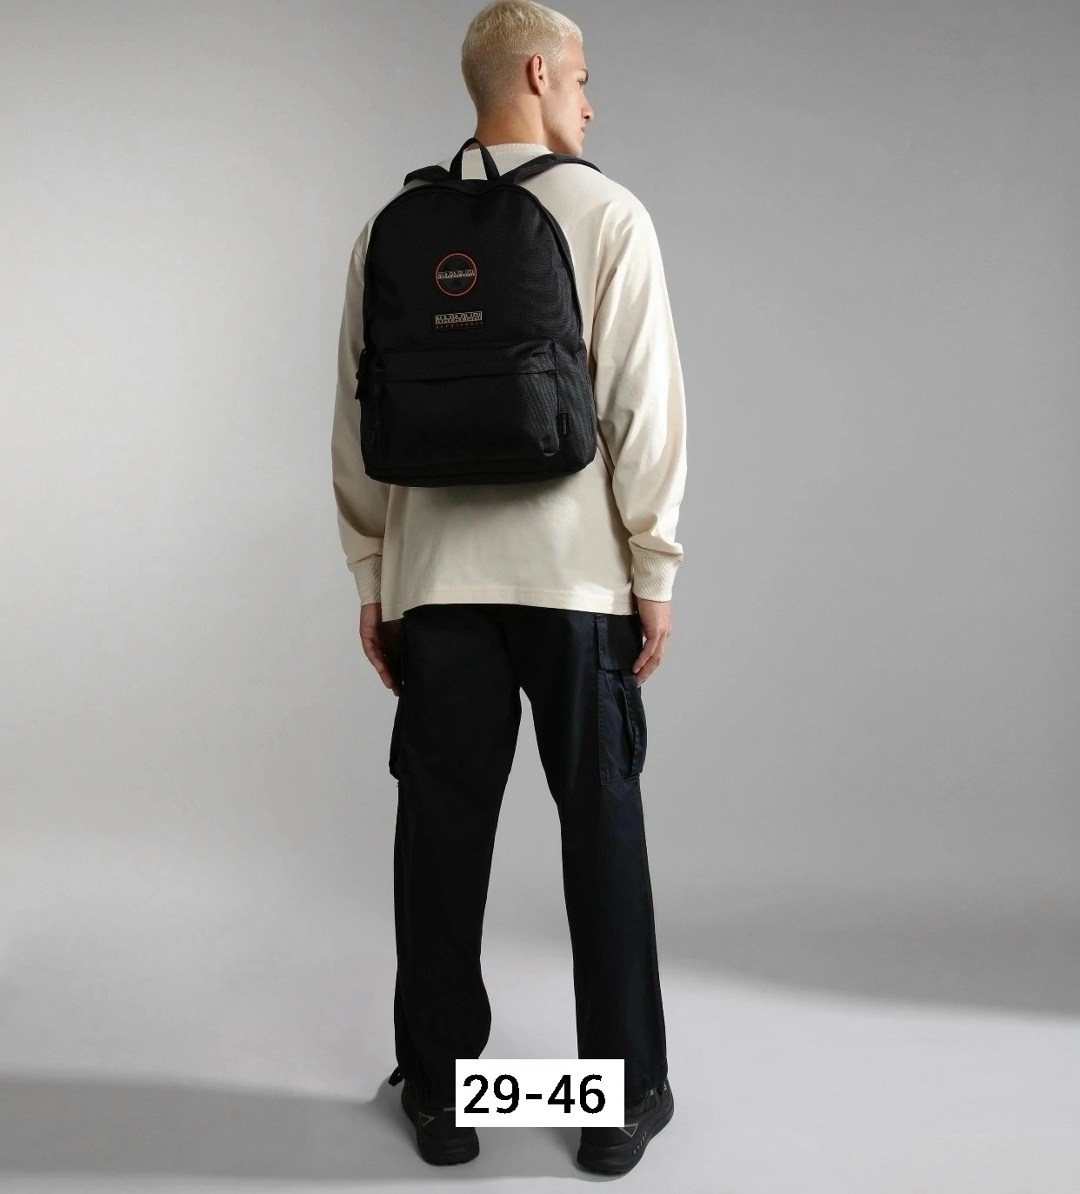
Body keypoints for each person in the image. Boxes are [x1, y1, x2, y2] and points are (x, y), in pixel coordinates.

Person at [330, 0, 687, 1175]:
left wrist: (377, 575)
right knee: (602, 833)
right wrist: (654, 569)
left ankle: (443, 1094)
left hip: (438, 588)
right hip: (578, 585)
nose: (592, 103)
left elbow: (357, 418)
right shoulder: (610, 215)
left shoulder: (390, 227)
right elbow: (642, 410)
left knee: (441, 839)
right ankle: (618, 1102)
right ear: (538, 73)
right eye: (583, 80)